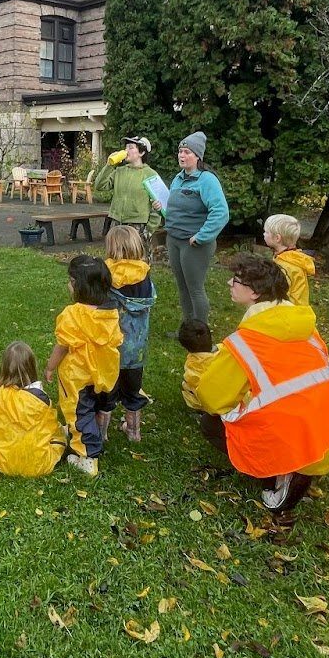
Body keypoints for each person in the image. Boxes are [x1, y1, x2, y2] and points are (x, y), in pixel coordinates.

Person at [195, 255, 329, 512]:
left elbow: (211, 396)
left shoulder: (246, 341)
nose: (229, 283)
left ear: (255, 293)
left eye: (236, 281)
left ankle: (277, 473)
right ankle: (297, 467)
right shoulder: (306, 328)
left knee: (210, 421)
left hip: (292, 431)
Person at [45, 255, 121, 476]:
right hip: (104, 374)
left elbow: (62, 346)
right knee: (93, 408)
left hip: (77, 377)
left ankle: (88, 456)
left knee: (79, 413)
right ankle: (90, 433)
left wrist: (50, 367)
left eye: (70, 280)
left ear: (78, 286)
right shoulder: (110, 313)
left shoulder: (72, 315)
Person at [164, 132, 230, 325]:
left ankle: (201, 334)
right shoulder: (178, 178)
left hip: (193, 244)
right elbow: (178, 209)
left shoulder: (207, 180)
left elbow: (221, 212)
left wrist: (202, 236)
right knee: (182, 287)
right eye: (180, 151)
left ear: (198, 156)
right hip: (174, 239)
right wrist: (163, 209)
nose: (182, 156)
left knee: (195, 288)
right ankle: (187, 329)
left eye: (187, 152)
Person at [0, 341, 65, 478]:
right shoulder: (41, 398)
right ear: (32, 367)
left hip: (2, 460)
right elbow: (49, 426)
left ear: (4, 368)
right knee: (58, 431)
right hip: (39, 463)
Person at [104, 225, 157, 442]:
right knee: (133, 392)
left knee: (106, 392)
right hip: (136, 350)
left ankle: (101, 433)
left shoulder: (106, 275)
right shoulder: (144, 276)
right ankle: (134, 432)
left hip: (111, 347)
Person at [94, 135, 165, 238]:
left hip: (137, 226)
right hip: (117, 224)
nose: (126, 151)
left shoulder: (151, 175)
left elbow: (159, 205)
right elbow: (100, 185)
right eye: (126, 147)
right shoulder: (119, 171)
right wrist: (109, 165)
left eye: (131, 147)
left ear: (142, 152)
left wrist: (148, 231)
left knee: (136, 254)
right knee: (116, 254)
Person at [264, 214, 314, 307]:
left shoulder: (284, 265)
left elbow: (278, 293)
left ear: (277, 238)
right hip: (299, 309)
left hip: (287, 312)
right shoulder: (294, 259)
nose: (264, 234)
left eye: (266, 232)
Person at [178, 319, 215, 413]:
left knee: (185, 386)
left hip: (207, 404)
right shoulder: (224, 354)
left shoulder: (192, 364)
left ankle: (199, 409)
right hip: (231, 400)